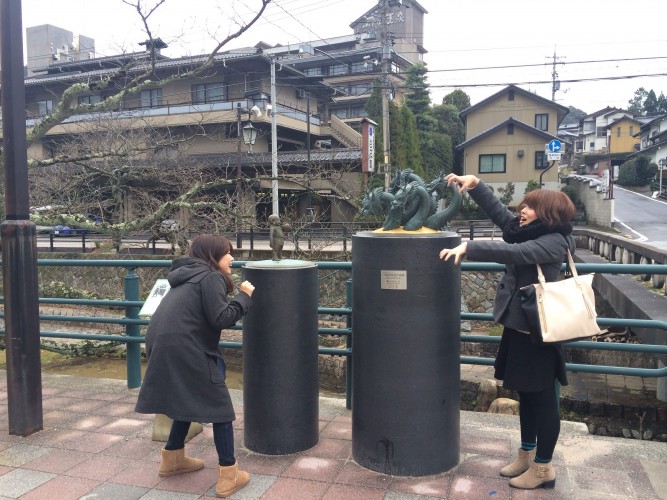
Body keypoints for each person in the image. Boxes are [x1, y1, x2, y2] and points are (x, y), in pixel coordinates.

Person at [439, 174, 575, 490]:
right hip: (519, 329)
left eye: (530, 207)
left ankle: (544, 470)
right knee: (525, 395)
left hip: (540, 333)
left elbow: (516, 253)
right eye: (524, 205)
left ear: (549, 214)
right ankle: (527, 454)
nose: (522, 210)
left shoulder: (554, 240)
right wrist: (476, 186)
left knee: (542, 400)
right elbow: (504, 220)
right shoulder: (525, 231)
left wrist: (470, 246)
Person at [135, 234, 255, 498]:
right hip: (186, 346)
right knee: (220, 409)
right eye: (228, 253)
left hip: (162, 342)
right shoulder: (210, 276)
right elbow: (220, 318)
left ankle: (173, 459)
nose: (232, 258)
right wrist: (244, 297)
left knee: (185, 396)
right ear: (214, 256)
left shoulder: (187, 275)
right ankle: (229, 474)